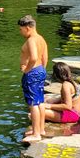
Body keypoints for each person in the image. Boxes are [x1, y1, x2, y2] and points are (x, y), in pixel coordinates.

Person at [18, 15, 49, 143]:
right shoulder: (41, 38)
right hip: (40, 70)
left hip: (33, 73)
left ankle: (36, 134)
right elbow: (45, 57)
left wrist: (27, 70)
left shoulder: (31, 40)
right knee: (40, 101)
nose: (20, 32)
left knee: (33, 103)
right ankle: (40, 129)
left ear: (28, 28)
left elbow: (34, 57)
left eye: (21, 29)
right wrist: (42, 70)